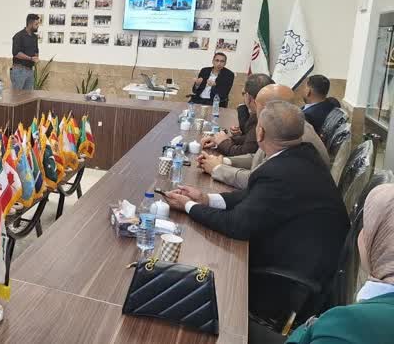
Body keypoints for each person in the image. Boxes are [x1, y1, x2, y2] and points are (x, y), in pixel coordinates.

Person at [166, 100, 349, 322]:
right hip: (310, 264)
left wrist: (188, 207)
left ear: (260, 133)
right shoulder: (303, 155)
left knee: (205, 272)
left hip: (289, 283)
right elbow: (252, 196)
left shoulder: (279, 170)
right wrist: (205, 199)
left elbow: (236, 225)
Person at [286, 184, 394, 344]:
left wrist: (309, 327)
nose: (360, 235)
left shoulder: (347, 325)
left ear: (379, 241)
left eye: (366, 227)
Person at [199, 84, 330, 189]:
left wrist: (217, 169)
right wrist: (225, 161)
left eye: (257, 104)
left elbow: (259, 179)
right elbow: (259, 157)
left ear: (269, 108)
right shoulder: (285, 123)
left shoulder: (291, 132)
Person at [201, 73, 273, 157]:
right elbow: (248, 139)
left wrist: (223, 143)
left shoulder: (260, 117)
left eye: (243, 93)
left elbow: (245, 153)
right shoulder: (271, 112)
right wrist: (219, 140)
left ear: (248, 96)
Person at [11, 13, 40, 90]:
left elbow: (36, 51)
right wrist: (30, 58)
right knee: (17, 95)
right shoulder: (19, 36)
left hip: (30, 71)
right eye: (36, 24)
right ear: (30, 24)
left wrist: (36, 57)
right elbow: (16, 53)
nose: (38, 26)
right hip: (19, 71)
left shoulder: (35, 37)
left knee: (28, 96)